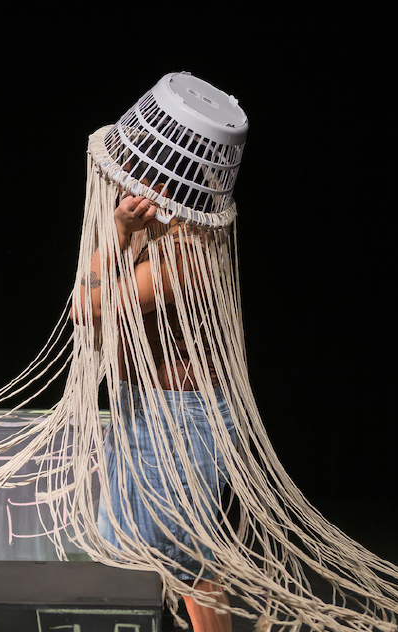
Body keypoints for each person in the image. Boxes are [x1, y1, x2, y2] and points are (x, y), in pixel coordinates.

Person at [77, 190, 236, 632]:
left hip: (177, 418)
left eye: (145, 181)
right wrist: (122, 231)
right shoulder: (162, 243)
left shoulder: (187, 254)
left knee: (186, 563)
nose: (129, 191)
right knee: (145, 550)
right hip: (149, 410)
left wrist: (118, 231)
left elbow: (87, 307)